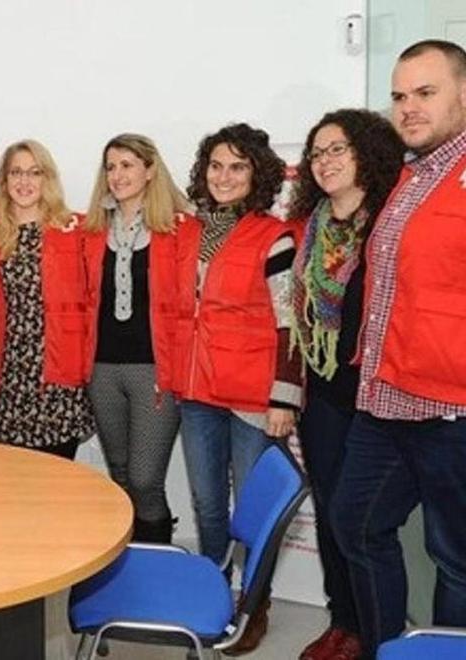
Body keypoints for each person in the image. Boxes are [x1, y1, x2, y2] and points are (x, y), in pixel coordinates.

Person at [330, 39, 466, 658]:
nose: (409, 107)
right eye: (399, 95)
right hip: (384, 399)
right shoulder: (412, 175)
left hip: (450, 411)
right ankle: (389, 648)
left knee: (457, 561)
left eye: (426, 93)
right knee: (355, 525)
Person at [173, 122, 300, 654]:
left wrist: (284, 398)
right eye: (217, 165)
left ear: (258, 175)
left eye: (238, 167)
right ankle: (214, 594)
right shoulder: (187, 231)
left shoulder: (275, 236)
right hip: (196, 389)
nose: (224, 176)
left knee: (253, 510)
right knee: (206, 504)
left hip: (253, 396)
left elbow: (290, 321)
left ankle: (256, 602)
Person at [288, 110, 405, 660]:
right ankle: (344, 623)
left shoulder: (388, 223)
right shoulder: (312, 227)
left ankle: (374, 633)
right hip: (324, 397)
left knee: (362, 524)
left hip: (377, 399)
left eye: (337, 149)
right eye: (317, 153)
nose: (325, 161)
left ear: (366, 153)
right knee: (334, 514)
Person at [81, 133, 191, 543]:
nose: (117, 175)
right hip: (103, 369)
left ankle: (157, 558)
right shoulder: (93, 230)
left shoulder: (177, 228)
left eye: (127, 165)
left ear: (149, 170)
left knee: (146, 480)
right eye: (111, 166)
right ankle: (131, 568)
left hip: (154, 370)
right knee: (123, 477)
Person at [0, 139, 95, 458]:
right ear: (4, 181)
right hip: (13, 379)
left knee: (59, 489)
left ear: (48, 178)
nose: (24, 181)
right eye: (15, 172)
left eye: (34, 172)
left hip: (59, 379)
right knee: (18, 491)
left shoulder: (74, 228)